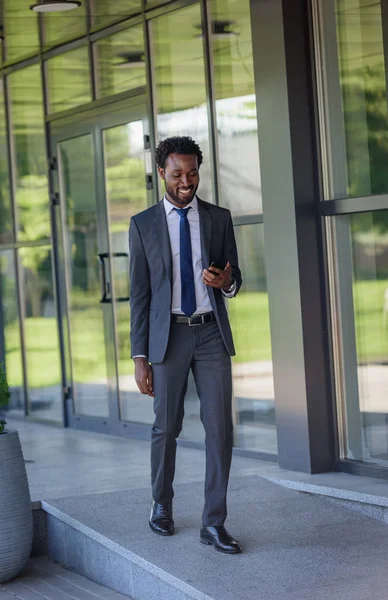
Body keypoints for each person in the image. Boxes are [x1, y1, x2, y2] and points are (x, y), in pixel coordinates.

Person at [129, 136, 242, 554]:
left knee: (219, 430)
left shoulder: (217, 218)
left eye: (192, 172)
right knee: (166, 426)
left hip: (211, 332)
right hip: (169, 336)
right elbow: (140, 293)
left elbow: (234, 275)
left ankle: (214, 523)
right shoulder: (143, 224)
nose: (186, 181)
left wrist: (226, 282)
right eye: (177, 173)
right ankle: (162, 503)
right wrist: (140, 356)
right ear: (162, 173)